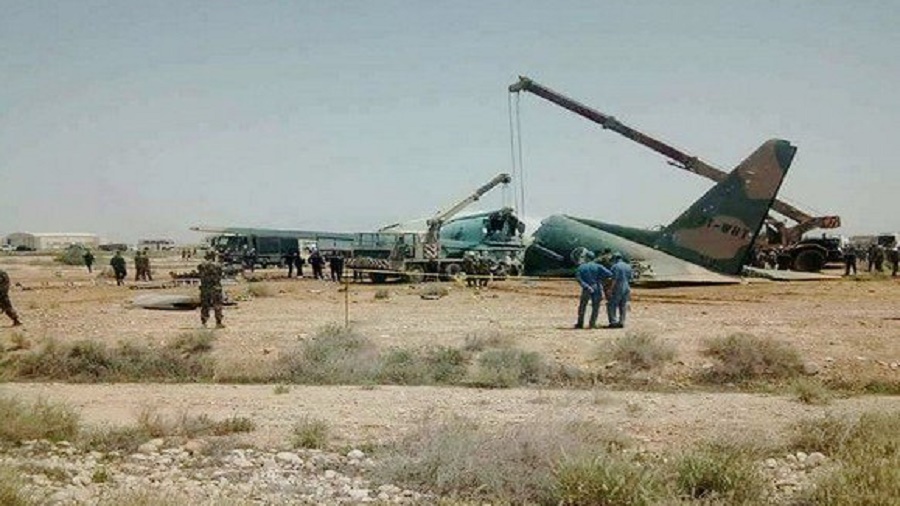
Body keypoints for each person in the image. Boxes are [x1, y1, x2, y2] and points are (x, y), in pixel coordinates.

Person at [574, 250, 612, 329]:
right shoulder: (598, 266)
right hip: (597, 287)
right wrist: (601, 280)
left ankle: (580, 323)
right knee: (596, 307)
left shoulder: (581, 267)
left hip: (586, 288)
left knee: (582, 306)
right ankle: (592, 324)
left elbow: (578, 278)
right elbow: (610, 274)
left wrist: (586, 286)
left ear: (586, 258)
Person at [607, 252, 634, 328]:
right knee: (623, 305)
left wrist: (610, 289)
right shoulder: (628, 266)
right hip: (627, 286)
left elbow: (614, 279)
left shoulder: (615, 266)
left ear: (615, 259)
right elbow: (631, 278)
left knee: (612, 304)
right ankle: (622, 322)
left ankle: (613, 322)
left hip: (618, 286)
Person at [198, 251, 225, 328]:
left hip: (205, 288)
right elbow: (220, 275)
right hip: (215, 288)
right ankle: (218, 323)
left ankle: (204, 323)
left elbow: (200, 274)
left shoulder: (201, 265)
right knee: (218, 305)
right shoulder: (218, 265)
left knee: (205, 306)